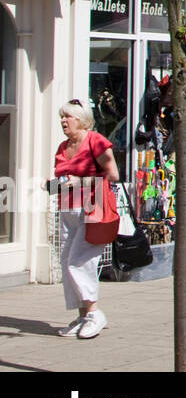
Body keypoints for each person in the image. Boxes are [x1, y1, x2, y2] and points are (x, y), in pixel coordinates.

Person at [51, 100, 120, 339]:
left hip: (93, 208)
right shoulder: (62, 147)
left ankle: (94, 313)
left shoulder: (95, 141)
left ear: (82, 119)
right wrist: (50, 186)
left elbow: (113, 175)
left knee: (79, 262)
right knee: (66, 263)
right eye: (62, 117)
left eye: (68, 116)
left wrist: (80, 182)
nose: (63, 121)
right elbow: (63, 181)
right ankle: (82, 317)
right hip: (68, 209)